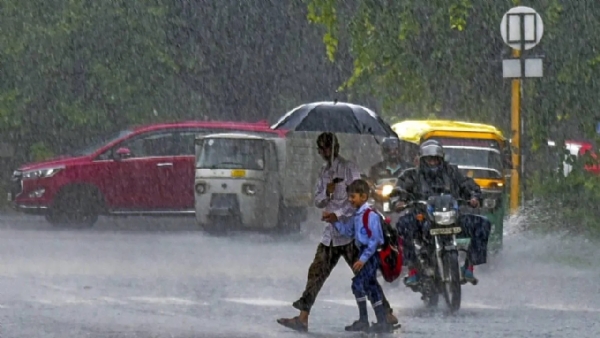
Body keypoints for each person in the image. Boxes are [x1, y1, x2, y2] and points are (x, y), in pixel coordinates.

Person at [276, 132, 397, 332]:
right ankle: (303, 317)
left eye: (327, 147)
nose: (324, 152)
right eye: (321, 148)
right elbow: (318, 201)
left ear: (335, 147)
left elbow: (358, 199)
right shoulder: (324, 173)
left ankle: (387, 314)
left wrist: (339, 214)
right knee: (316, 274)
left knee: (365, 276)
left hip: (351, 235)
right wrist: (328, 192)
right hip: (331, 236)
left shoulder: (350, 169)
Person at [394, 140, 491, 286]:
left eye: (436, 159)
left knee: (482, 224)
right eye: (429, 159)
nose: (433, 162)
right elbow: (399, 190)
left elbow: (468, 185)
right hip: (423, 219)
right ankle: (412, 270)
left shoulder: (452, 172)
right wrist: (399, 201)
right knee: (403, 225)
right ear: (422, 159)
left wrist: (474, 197)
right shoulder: (411, 175)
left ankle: (469, 266)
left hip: (452, 218)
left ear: (441, 159)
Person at [331, 179, 395, 333]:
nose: (350, 200)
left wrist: (362, 259)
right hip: (364, 253)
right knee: (371, 287)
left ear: (363, 197)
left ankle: (364, 320)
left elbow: (374, 241)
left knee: (358, 285)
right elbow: (349, 232)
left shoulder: (370, 215)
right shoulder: (358, 215)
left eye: (353, 197)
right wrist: (334, 222)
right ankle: (381, 321)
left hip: (370, 255)